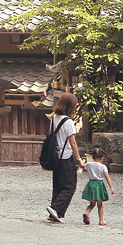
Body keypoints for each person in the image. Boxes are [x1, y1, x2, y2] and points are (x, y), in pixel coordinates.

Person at [46, 92, 82, 223]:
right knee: (70, 186)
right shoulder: (68, 122)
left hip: (55, 156)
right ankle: (55, 208)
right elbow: (72, 142)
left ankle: (55, 214)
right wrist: (79, 158)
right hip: (66, 157)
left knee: (58, 185)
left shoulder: (54, 119)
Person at [80, 148, 116, 226]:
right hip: (99, 185)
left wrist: (81, 161)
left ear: (92, 157)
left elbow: (82, 166)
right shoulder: (103, 167)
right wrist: (111, 187)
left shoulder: (89, 164)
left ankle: (86, 213)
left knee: (92, 204)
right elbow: (107, 177)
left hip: (91, 184)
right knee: (100, 205)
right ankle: (101, 221)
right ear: (102, 157)